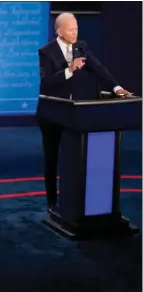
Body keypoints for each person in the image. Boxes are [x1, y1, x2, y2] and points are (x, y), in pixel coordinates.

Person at [35, 13, 131, 211]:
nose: (75, 32)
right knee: (52, 158)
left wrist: (117, 88)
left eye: (76, 28)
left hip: (76, 114)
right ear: (59, 32)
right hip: (52, 113)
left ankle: (75, 201)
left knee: (76, 157)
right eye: (71, 30)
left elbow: (99, 69)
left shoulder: (82, 47)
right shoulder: (46, 52)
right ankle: (52, 202)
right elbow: (47, 82)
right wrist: (70, 69)